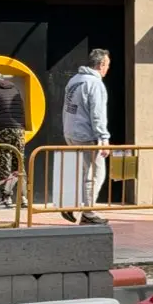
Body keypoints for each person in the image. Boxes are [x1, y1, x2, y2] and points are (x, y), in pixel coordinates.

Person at [61, 48, 111, 226]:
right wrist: (103, 138)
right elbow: (97, 114)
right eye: (107, 65)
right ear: (101, 64)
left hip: (71, 132)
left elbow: (67, 108)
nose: (107, 69)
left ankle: (70, 203)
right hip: (86, 134)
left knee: (81, 171)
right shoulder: (95, 84)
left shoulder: (74, 80)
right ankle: (88, 212)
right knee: (96, 174)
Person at [0, 72, 27, 207]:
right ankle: (24, 198)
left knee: (4, 163)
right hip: (19, 129)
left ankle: (6, 198)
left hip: (3, 130)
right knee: (19, 163)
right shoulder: (15, 89)